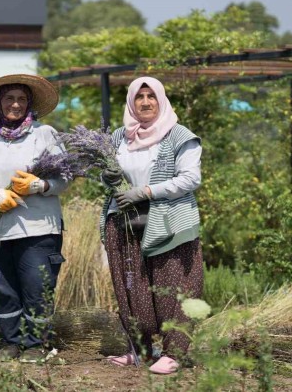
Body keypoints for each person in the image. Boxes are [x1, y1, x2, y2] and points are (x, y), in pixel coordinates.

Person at [99, 76, 203, 375]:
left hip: (169, 221)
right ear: (131, 102)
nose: (145, 102)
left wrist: (145, 192)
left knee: (175, 287)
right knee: (131, 286)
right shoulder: (119, 136)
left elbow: (190, 179)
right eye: (139, 97)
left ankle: (174, 352)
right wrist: (106, 178)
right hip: (125, 222)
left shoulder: (179, 135)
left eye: (151, 96)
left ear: (161, 100)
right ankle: (140, 350)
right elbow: (109, 178)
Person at [0, 74, 67, 363]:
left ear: (29, 103)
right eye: (9, 98)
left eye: (22, 99)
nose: (16, 104)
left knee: (37, 287)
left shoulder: (44, 134)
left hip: (39, 228)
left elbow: (64, 180)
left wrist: (40, 186)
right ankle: (11, 340)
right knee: (5, 289)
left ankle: (35, 344)